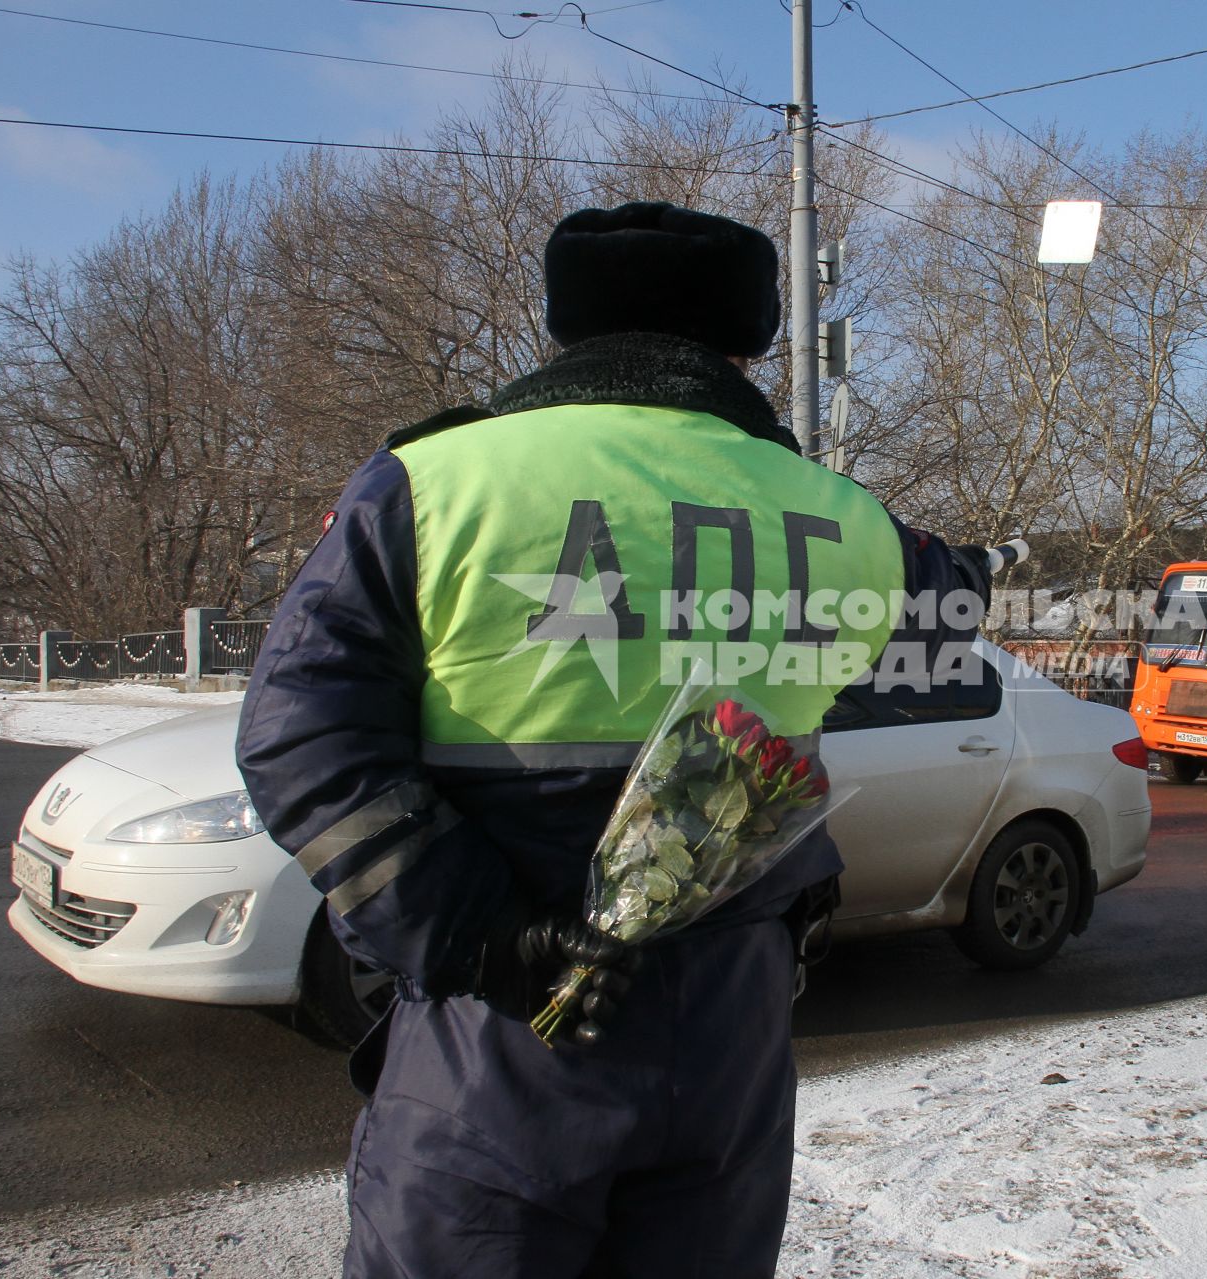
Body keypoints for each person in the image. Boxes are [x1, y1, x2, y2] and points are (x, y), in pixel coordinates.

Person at [236, 202, 990, 1278]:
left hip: (497, 1034)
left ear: (564, 326)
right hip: (730, 1047)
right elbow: (949, 605)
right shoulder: (838, 516)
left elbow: (297, 736)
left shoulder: (432, 483)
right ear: (750, 342)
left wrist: (485, 936)